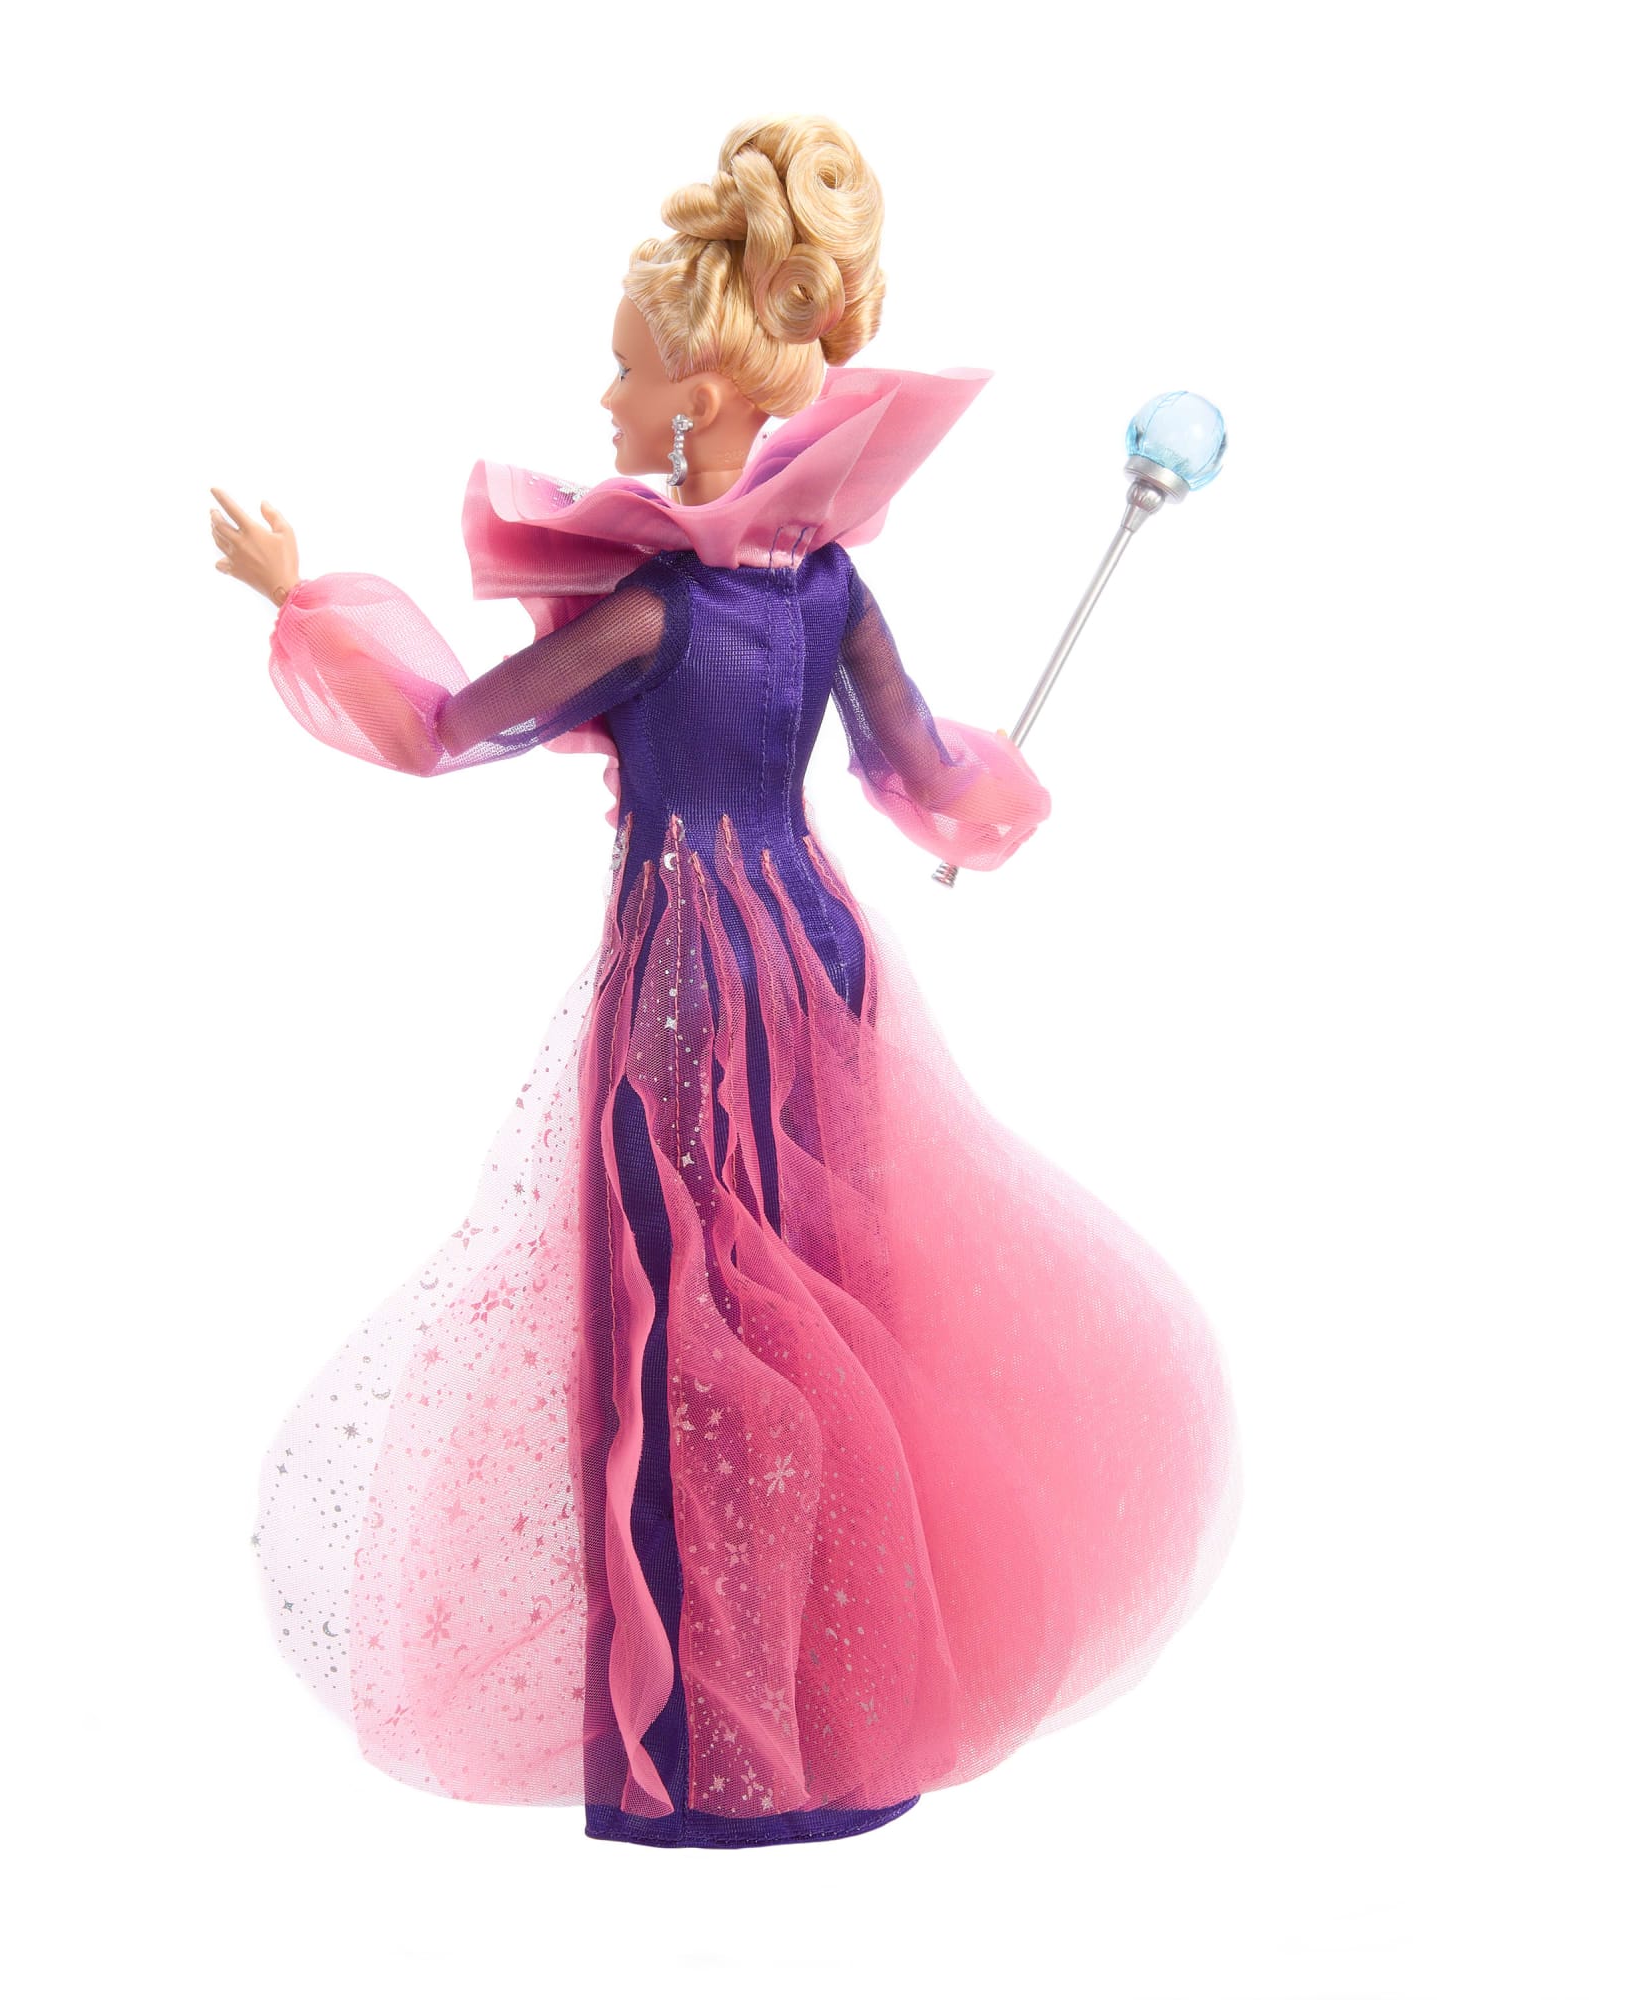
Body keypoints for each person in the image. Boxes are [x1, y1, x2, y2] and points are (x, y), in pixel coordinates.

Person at [213, 114, 1240, 1849]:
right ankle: (821, 1709)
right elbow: (929, 770)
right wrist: (994, 805)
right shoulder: (829, 594)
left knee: (686, 1329)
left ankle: (713, 1743)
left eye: (626, 372)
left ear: (698, 403)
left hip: (692, 975)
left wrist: (301, 600)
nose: (608, 401)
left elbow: (449, 730)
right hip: (819, 954)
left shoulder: (656, 617)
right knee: (814, 1312)